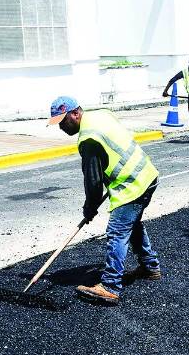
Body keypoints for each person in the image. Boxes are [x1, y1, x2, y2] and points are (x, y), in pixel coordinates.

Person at [48, 96, 162, 306]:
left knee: (117, 231)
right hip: (147, 176)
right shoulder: (100, 115)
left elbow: (93, 181)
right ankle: (150, 266)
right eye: (58, 124)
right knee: (132, 224)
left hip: (131, 186)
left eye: (63, 122)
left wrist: (89, 208)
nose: (62, 127)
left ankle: (110, 286)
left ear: (75, 113)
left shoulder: (89, 139)